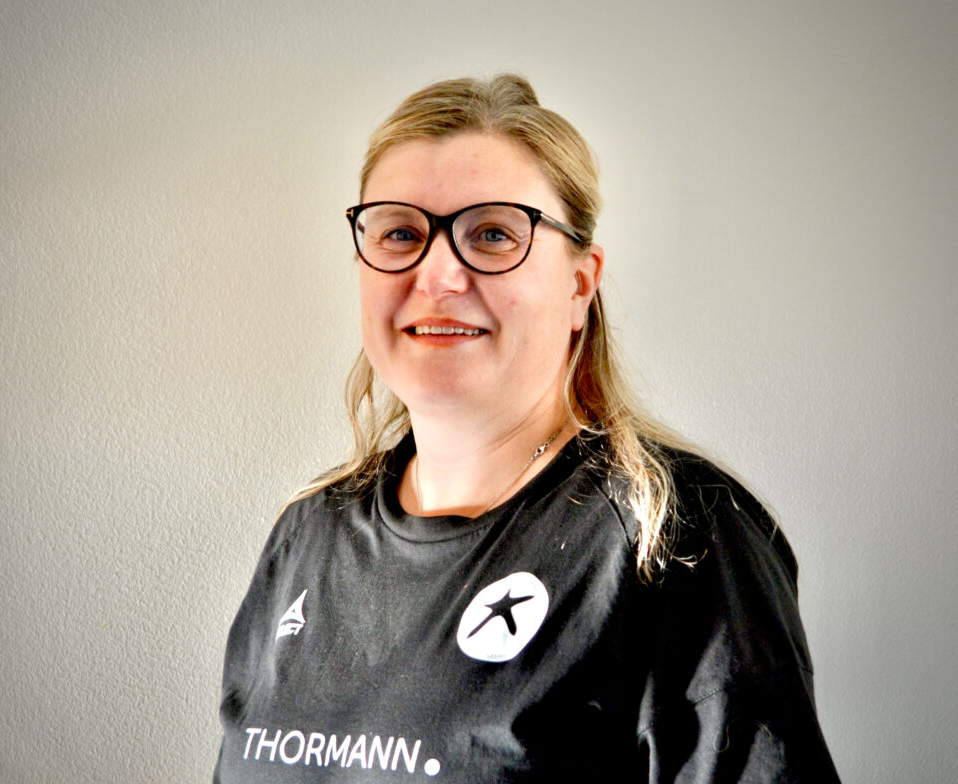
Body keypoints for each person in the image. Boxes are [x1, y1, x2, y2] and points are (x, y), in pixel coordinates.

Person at [214, 75, 840, 783]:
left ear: (579, 284)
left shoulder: (675, 536)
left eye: (492, 234)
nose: (438, 276)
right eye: (400, 233)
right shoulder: (306, 534)